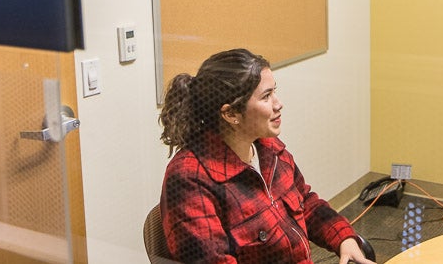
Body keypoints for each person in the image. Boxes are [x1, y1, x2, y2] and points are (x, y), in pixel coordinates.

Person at [158, 48, 374, 264]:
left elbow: (306, 203)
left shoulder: (268, 148)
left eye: (274, 92)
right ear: (231, 114)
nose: (278, 104)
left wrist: (344, 239)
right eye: (266, 96)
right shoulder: (190, 179)